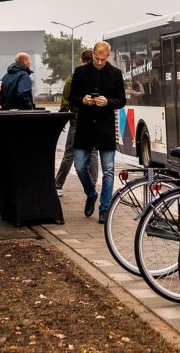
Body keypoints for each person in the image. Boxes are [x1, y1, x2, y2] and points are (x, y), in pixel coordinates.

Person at [68, 40, 126, 224]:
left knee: (108, 170)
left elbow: (121, 100)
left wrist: (108, 102)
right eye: (97, 58)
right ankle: (91, 193)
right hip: (85, 127)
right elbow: (72, 97)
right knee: (79, 166)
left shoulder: (115, 73)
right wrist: (83, 101)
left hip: (105, 128)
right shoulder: (80, 72)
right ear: (92, 54)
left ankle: (105, 208)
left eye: (103, 59)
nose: (100, 62)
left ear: (108, 56)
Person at [55, 49, 100, 196]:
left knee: (69, 153)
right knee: (93, 153)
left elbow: (66, 101)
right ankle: (92, 185)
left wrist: (61, 120)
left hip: (77, 121)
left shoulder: (73, 78)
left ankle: (58, 185)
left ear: (81, 60)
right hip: (94, 121)